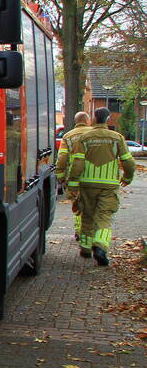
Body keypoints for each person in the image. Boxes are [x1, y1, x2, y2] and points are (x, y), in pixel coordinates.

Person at [67, 106, 135, 265]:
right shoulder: (117, 138)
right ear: (108, 118)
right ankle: (100, 247)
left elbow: (77, 163)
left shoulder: (84, 138)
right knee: (104, 216)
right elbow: (128, 162)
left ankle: (85, 248)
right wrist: (128, 177)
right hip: (109, 186)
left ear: (93, 118)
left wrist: (73, 184)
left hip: (87, 184)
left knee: (87, 215)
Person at [55, 111, 92, 239]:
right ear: (88, 121)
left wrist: (60, 175)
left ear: (76, 122)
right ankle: (89, 232)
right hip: (93, 174)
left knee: (77, 205)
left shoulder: (68, 136)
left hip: (74, 177)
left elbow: (62, 157)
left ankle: (78, 231)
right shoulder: (95, 134)